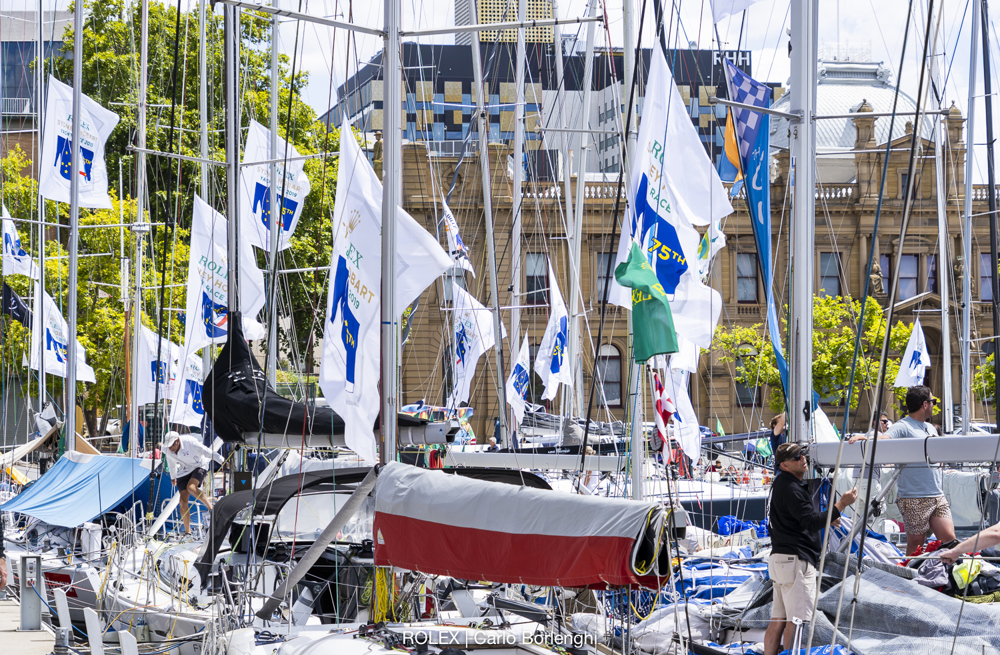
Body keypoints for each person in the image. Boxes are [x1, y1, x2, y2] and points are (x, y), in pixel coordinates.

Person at [765, 443, 858, 655]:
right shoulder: (791, 488)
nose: (802, 458)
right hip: (795, 561)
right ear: (784, 465)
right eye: (797, 457)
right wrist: (841, 504)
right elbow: (809, 522)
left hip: (780, 560)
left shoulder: (781, 484)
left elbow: (799, 519)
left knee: (778, 620)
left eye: (802, 454)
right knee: (796, 622)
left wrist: (827, 518)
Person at [848, 386, 956, 555]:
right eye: (933, 402)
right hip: (913, 497)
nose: (934, 405)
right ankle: (910, 575)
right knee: (916, 545)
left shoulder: (931, 428)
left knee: (950, 540)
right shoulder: (903, 426)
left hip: (936, 494)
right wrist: (865, 437)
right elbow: (884, 440)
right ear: (924, 404)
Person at [163, 431, 224, 536]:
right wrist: (173, 477)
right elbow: (171, 463)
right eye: (168, 446)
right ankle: (188, 533)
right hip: (184, 470)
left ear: (177, 441)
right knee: (182, 502)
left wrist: (222, 461)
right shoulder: (166, 450)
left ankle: (212, 509)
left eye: (172, 445)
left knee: (191, 488)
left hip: (200, 465)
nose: (170, 448)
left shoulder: (189, 442)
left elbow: (207, 452)